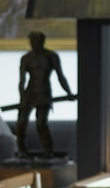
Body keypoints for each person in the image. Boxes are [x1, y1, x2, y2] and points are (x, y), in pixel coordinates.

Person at [11, 29, 75, 159]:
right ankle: (22, 151)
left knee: (41, 123)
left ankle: (48, 151)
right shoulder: (26, 58)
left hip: (44, 93)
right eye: (32, 41)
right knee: (21, 123)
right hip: (29, 94)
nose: (35, 44)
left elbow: (60, 76)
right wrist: (22, 98)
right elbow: (22, 80)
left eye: (37, 41)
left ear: (43, 41)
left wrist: (68, 93)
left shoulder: (51, 56)